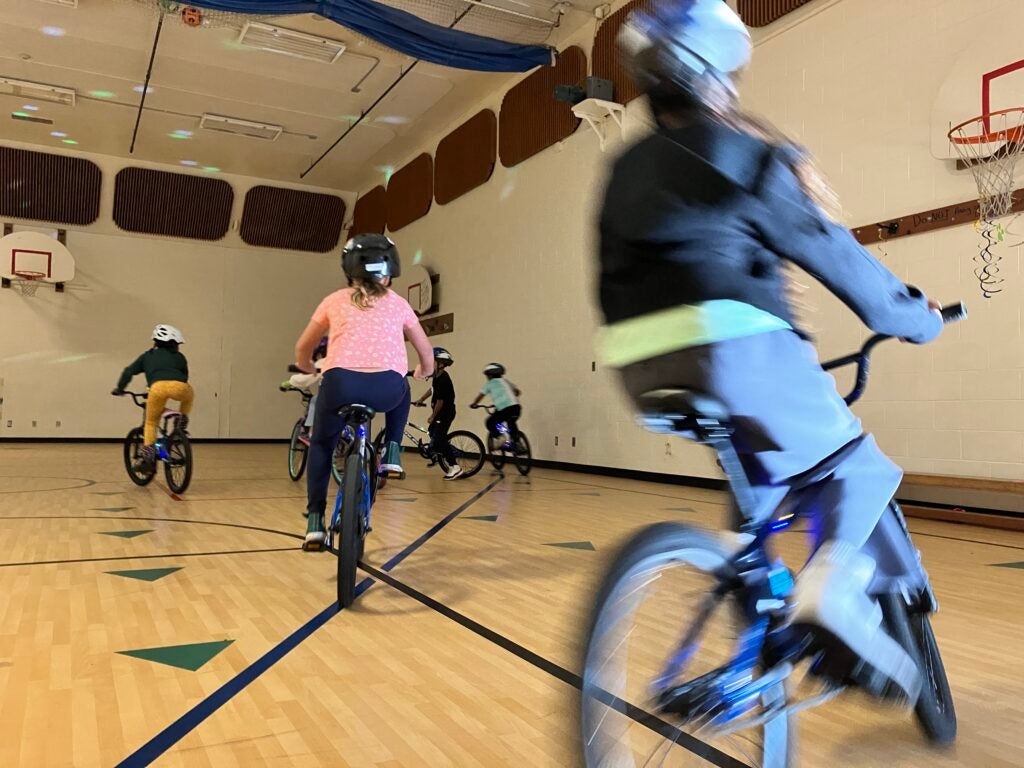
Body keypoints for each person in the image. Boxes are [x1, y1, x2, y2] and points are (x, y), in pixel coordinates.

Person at [598, 0, 945, 703]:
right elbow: (844, 266)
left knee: (756, 495)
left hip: (638, 361)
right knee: (857, 465)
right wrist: (918, 320)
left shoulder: (624, 167)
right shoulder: (747, 153)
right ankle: (828, 588)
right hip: (738, 350)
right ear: (717, 77)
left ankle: (751, 641)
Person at [294, 233, 434, 551]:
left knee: (321, 445)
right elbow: (426, 351)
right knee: (403, 383)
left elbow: (303, 346)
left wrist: (307, 367)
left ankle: (315, 521)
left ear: (350, 272)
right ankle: (393, 452)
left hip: (340, 385)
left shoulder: (334, 300)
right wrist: (424, 371)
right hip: (386, 389)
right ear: (390, 273)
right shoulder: (399, 304)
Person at [111, 324, 194, 469]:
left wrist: (120, 388)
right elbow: (185, 376)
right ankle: (182, 420)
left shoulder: (147, 356)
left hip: (157, 389)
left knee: (150, 423)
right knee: (188, 396)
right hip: (182, 388)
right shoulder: (180, 357)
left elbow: (128, 372)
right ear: (174, 344)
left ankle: (148, 456)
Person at [413, 347, 463, 480]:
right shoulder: (437, 376)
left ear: (441, 364)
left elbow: (440, 401)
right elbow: (432, 390)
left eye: (433, 361)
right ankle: (437, 453)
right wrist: (421, 399)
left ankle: (455, 466)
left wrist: (432, 416)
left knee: (440, 438)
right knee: (432, 431)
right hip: (441, 413)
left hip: (445, 413)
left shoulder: (443, 379)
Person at [281, 336, 328, 432]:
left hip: (334, 397)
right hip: (357, 395)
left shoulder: (325, 362)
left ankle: (311, 429)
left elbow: (305, 378)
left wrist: (289, 383)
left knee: (315, 401)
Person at [471, 363, 522, 449]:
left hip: (504, 409)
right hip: (516, 408)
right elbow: (517, 392)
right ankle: (517, 443)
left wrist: (474, 404)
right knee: (511, 422)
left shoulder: (490, 384)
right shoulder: (506, 381)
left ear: (489, 375)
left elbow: (481, 396)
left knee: (490, 422)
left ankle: (500, 437)